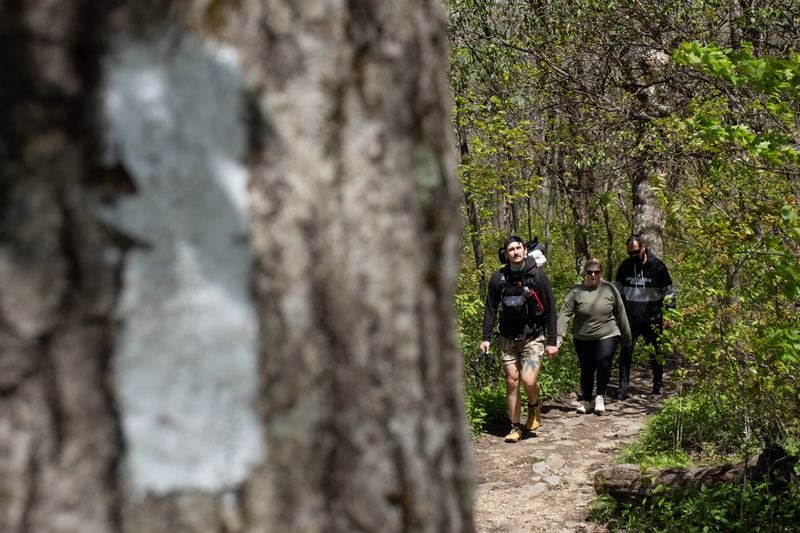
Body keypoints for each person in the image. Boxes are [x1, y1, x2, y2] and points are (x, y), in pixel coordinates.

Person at [480, 235, 559, 443]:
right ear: (506, 254)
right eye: (511, 249)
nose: (515, 252)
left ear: (525, 250)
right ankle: (515, 426)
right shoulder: (498, 278)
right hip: (507, 338)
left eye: (518, 248)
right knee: (512, 382)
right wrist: (485, 337)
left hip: (533, 336)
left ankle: (534, 406)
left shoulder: (538, 276)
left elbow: (550, 310)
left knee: (528, 380)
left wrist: (552, 341)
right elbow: (490, 308)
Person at [557, 259, 632, 414]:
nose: (593, 275)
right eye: (589, 272)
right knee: (587, 368)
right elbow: (565, 313)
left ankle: (600, 396)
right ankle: (586, 400)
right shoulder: (576, 291)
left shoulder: (609, 289)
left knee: (604, 362)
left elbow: (620, 312)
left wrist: (627, 336)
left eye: (596, 272)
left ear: (601, 273)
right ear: (585, 272)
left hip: (608, 333)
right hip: (583, 336)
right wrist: (558, 337)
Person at [614, 235, 676, 398]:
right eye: (630, 253)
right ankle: (622, 388)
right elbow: (617, 292)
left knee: (656, 354)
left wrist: (669, 314)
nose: (633, 256)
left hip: (653, 319)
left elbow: (668, 292)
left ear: (643, 247)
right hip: (630, 319)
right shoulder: (625, 266)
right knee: (625, 353)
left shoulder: (658, 266)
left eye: (635, 252)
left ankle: (657, 386)